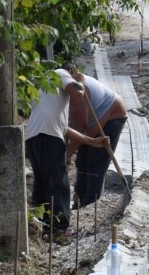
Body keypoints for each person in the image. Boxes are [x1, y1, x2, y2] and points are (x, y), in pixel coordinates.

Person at [24, 68, 110, 236]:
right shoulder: (61, 73)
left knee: (43, 182)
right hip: (48, 137)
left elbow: (64, 129)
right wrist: (80, 80)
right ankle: (59, 229)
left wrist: (92, 141)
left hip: (33, 137)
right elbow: (79, 92)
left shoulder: (46, 91)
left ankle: (42, 225)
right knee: (58, 183)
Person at [63, 62, 128, 207]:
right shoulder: (62, 89)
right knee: (82, 160)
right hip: (92, 120)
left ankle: (90, 205)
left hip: (112, 113)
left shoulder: (77, 91)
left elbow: (81, 130)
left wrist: (67, 154)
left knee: (96, 160)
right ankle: (79, 201)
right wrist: (68, 151)